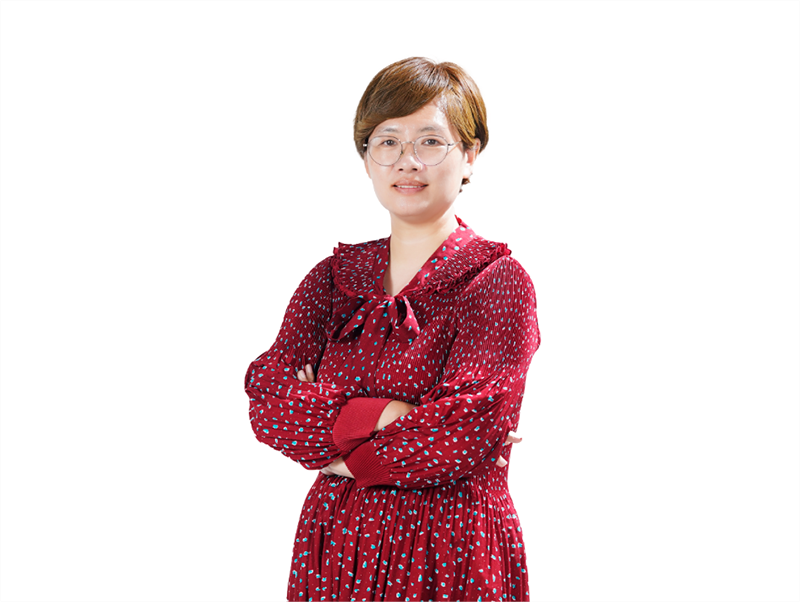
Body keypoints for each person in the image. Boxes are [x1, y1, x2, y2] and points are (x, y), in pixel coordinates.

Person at [245, 57, 541, 601]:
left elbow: (457, 435)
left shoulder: (496, 281)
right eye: (387, 142)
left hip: (449, 547)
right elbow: (269, 402)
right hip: (335, 546)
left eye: (430, 141)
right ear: (366, 159)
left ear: (470, 155)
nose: (407, 161)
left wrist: (335, 444)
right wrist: (388, 415)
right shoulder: (333, 280)